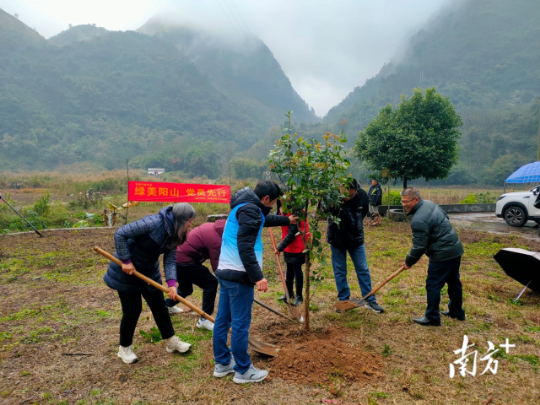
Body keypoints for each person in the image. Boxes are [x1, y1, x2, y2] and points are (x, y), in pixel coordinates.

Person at [213, 181, 297, 384]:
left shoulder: (246, 207)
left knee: (223, 321)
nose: (272, 206)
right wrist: (258, 276)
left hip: (225, 272)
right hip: (239, 275)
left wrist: (287, 220)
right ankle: (243, 370)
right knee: (240, 324)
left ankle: (223, 363)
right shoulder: (251, 211)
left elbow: (263, 220)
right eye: (274, 202)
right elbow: (245, 247)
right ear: (266, 199)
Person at [103, 203, 196, 364]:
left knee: (160, 306)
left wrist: (172, 283)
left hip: (149, 272)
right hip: (127, 272)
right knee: (133, 310)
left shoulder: (175, 233)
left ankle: (171, 341)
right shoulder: (153, 223)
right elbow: (121, 233)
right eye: (189, 220)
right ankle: (124, 348)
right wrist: (125, 260)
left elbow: (170, 259)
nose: (191, 224)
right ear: (181, 219)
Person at [400, 188, 465, 326]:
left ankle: (432, 317)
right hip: (455, 248)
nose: (404, 205)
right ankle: (456, 311)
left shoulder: (418, 219)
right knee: (454, 281)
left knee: (433, 285)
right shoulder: (429, 204)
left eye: (407, 202)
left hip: (442, 254)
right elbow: (445, 218)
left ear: (416, 199)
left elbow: (419, 246)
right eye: (402, 201)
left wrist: (408, 261)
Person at [324, 178, 384, 313]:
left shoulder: (361, 195)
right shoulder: (332, 197)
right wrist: (338, 202)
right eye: (349, 194)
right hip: (337, 239)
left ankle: (370, 300)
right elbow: (325, 212)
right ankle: (343, 300)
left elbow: (362, 213)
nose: (351, 196)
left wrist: (354, 226)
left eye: (353, 193)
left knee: (363, 269)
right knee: (340, 271)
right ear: (341, 188)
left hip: (356, 239)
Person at [165, 219, 227, 332]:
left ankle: (167, 305)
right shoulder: (217, 240)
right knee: (211, 284)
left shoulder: (212, 226)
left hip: (177, 257)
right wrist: (225, 280)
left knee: (186, 289)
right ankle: (204, 320)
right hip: (185, 261)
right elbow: (216, 264)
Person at [275, 199, 309, 306]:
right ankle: (289, 293)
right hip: (288, 244)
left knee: (296, 268)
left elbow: (292, 233)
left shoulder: (295, 212)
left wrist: (279, 248)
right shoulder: (281, 209)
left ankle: (299, 296)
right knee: (289, 267)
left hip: (298, 243)